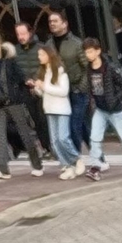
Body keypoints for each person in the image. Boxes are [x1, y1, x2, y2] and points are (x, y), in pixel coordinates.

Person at [0, 24, 51, 176]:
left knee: (25, 135)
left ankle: (37, 165)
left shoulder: (7, 59)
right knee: (1, 138)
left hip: (14, 101)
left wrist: (29, 82)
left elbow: (19, 76)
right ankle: (2, 168)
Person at [82, 40, 122, 177]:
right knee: (94, 138)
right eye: (86, 52)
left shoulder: (109, 68)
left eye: (90, 51)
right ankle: (95, 167)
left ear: (98, 51)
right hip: (100, 109)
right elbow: (91, 88)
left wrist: (116, 101)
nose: (88, 55)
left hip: (115, 110)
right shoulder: (88, 68)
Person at [46, 8, 91, 156]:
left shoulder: (77, 43)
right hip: (60, 94)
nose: (52, 24)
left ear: (65, 24)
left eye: (55, 21)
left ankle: (74, 159)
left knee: (73, 126)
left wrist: (82, 87)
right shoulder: (49, 44)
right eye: (50, 21)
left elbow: (87, 66)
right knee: (81, 126)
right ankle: (99, 157)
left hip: (77, 90)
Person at [34, 46, 81, 176]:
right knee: (54, 142)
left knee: (63, 138)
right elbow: (45, 93)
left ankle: (76, 159)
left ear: (49, 55)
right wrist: (38, 88)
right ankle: (66, 165)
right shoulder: (44, 72)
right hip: (49, 109)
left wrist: (45, 86)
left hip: (61, 109)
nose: (39, 57)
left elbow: (63, 91)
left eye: (42, 54)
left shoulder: (61, 72)